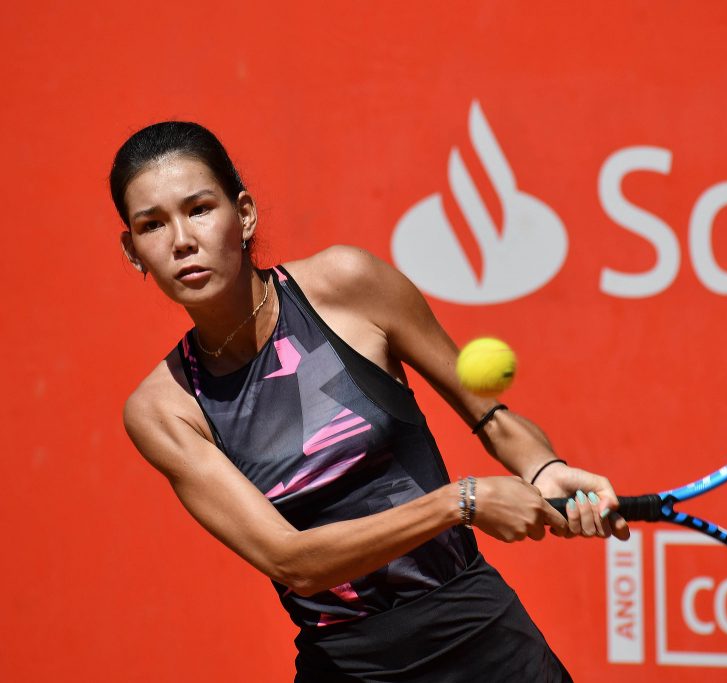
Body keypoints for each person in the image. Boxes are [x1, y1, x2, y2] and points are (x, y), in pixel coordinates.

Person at [112, 121, 629, 682]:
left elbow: (490, 417)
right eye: (152, 225)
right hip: (350, 666)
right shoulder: (163, 410)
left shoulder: (350, 284)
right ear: (133, 250)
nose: (181, 239)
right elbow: (292, 561)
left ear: (245, 213)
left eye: (200, 209)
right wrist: (461, 502)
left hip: (486, 640)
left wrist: (544, 468)